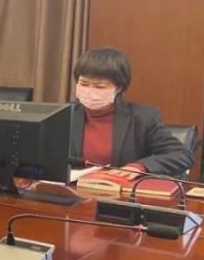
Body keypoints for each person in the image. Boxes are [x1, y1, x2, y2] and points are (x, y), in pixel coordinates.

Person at [69, 47, 192, 176]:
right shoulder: (65, 114)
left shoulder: (143, 118)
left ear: (118, 88)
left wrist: (140, 167)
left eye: (99, 86)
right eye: (84, 84)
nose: (90, 91)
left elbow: (182, 155)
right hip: (72, 187)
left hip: (119, 186)